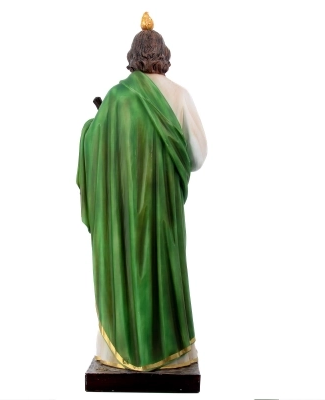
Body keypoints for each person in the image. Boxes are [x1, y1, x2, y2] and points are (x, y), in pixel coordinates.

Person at [76, 12, 207, 371]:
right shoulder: (179, 95)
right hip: (164, 214)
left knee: (125, 271)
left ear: (132, 58)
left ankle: (116, 349)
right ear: (164, 55)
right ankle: (174, 350)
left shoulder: (116, 99)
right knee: (166, 273)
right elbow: (197, 157)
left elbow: (93, 146)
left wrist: (94, 128)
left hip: (122, 219)